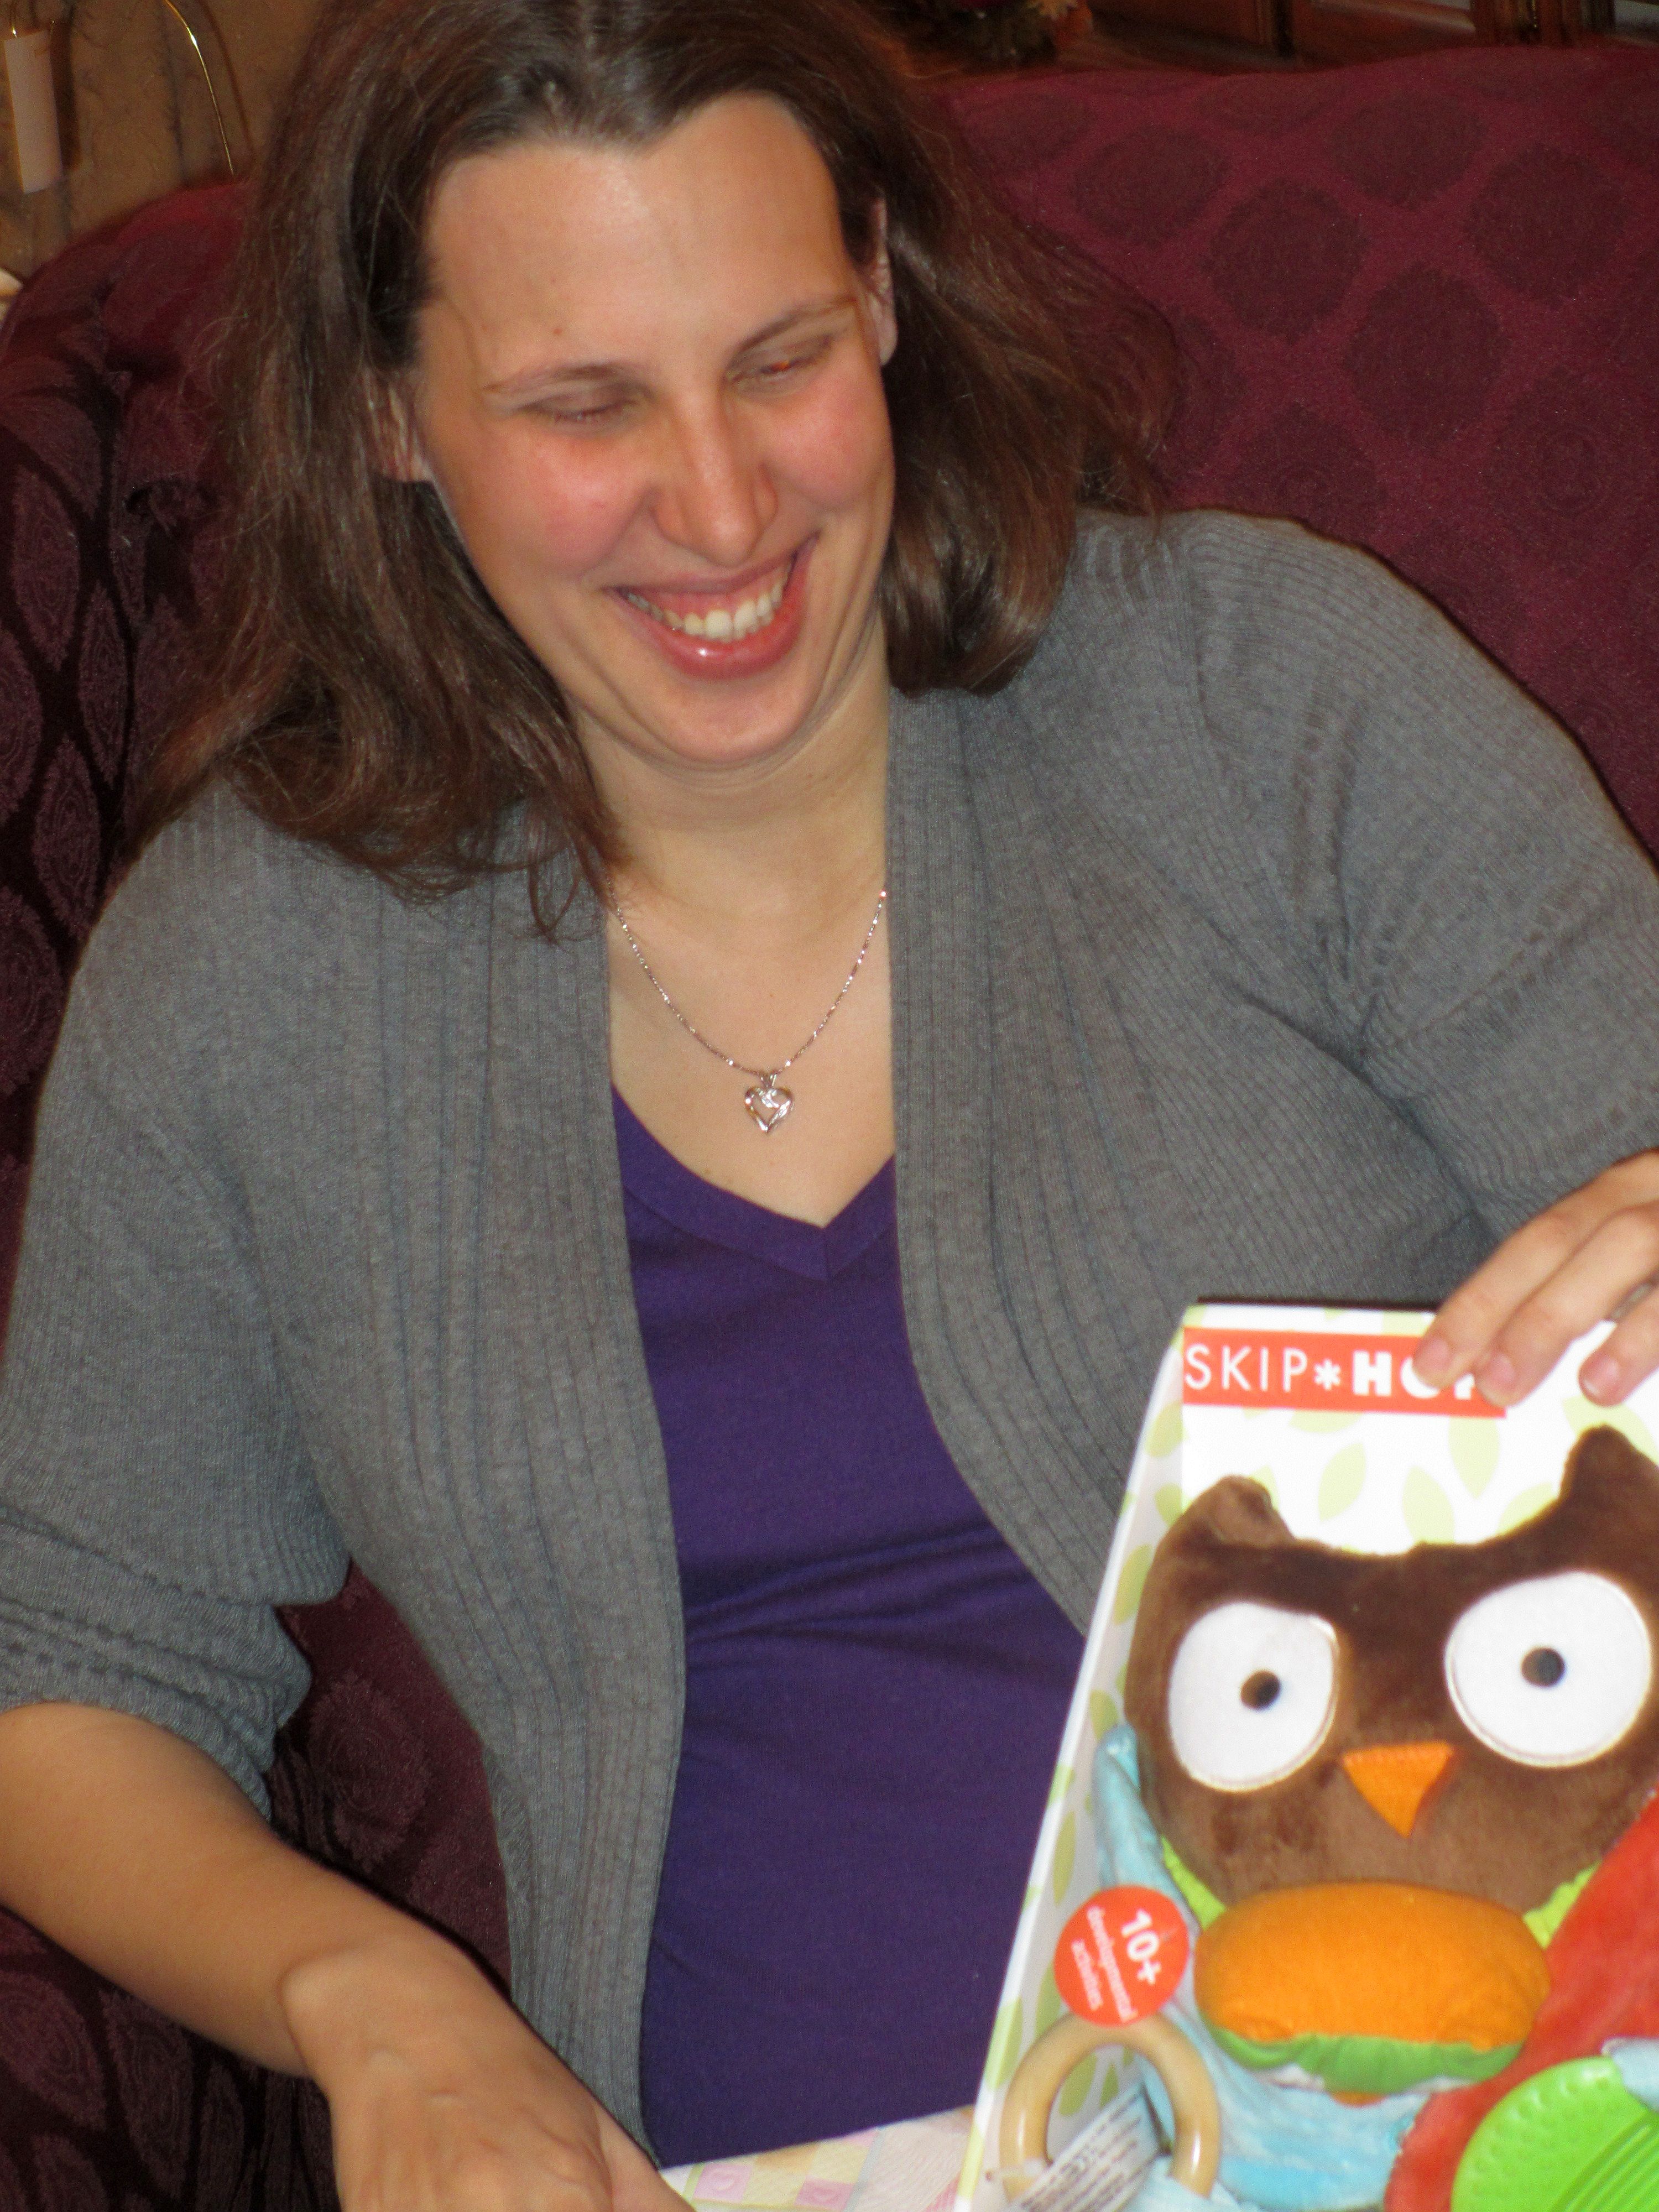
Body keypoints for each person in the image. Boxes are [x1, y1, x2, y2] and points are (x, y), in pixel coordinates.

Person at [1, 1, 1658, 2207]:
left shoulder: (1270, 705)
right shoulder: (252, 974)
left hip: (1464, 2129)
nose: (720, 507)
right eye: (584, 405)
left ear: (881, 288)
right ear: (391, 412)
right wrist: (369, 1997)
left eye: (780, 358)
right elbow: (72, 1671)